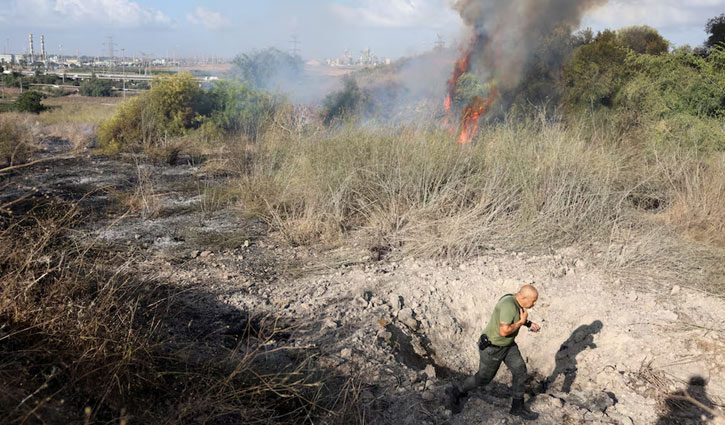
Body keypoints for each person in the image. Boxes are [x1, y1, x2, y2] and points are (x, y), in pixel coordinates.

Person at [446, 285, 541, 420]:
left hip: (508, 346)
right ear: (524, 297)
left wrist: (528, 324)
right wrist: (521, 322)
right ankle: (459, 390)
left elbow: (515, 318)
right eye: (533, 300)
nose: (535, 303)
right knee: (484, 378)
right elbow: (504, 331)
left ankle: (517, 407)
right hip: (493, 348)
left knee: (520, 370)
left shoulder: (517, 301)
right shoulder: (508, 305)